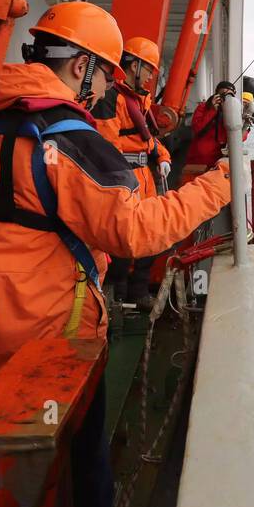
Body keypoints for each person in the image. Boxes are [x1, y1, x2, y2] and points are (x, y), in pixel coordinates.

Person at [0, 0, 231, 507]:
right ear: (83, 67)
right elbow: (136, 231)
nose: (106, 93)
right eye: (105, 77)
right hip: (42, 350)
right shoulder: (70, 138)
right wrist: (220, 185)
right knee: (82, 471)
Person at [95, 36, 170, 311]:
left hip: (145, 177)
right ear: (135, 65)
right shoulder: (113, 97)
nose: (151, 76)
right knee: (125, 240)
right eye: (149, 69)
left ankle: (138, 292)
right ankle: (117, 296)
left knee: (150, 235)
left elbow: (149, 139)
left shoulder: (140, 101)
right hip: (125, 177)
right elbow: (105, 144)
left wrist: (162, 157)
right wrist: (119, 178)